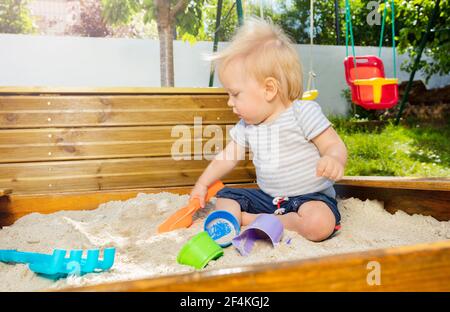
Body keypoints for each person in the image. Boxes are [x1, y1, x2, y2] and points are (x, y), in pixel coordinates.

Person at [191, 17, 348, 242]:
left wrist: (334, 159)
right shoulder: (247, 126)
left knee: (320, 223)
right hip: (270, 199)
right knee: (226, 195)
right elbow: (226, 158)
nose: (229, 102)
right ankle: (241, 217)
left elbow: (333, 144)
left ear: (269, 89)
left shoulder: (302, 113)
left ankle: (247, 219)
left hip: (309, 199)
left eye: (234, 94)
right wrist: (203, 184)